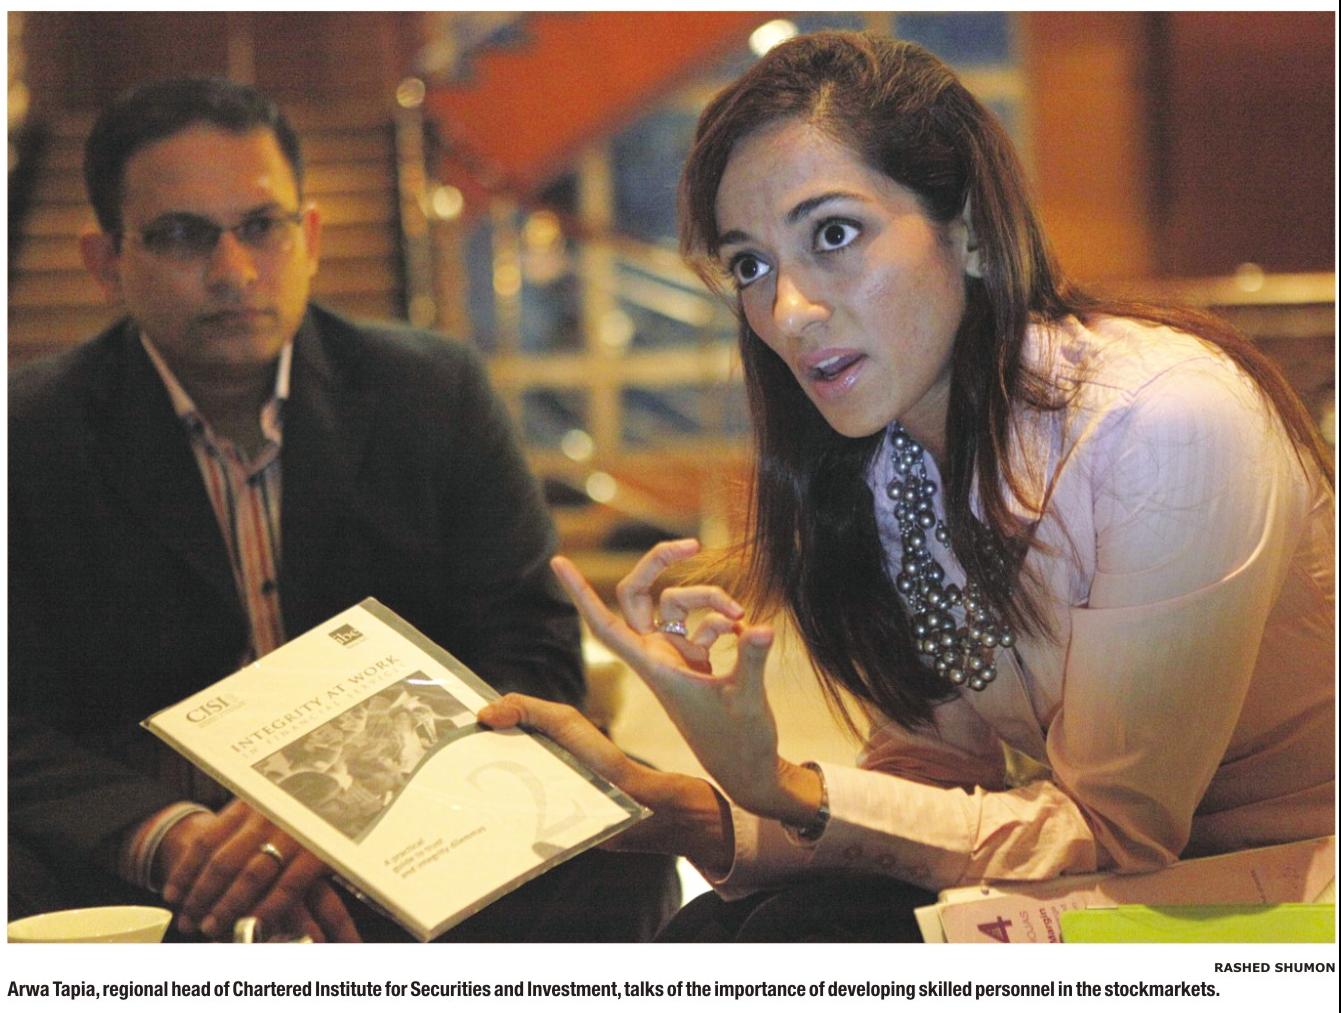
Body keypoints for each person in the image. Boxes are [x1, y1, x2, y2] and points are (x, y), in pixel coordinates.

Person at [477, 31, 1335, 942]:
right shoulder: (892, 455)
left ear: (967, 230)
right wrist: (683, 806)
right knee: (723, 932)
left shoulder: (1165, 423)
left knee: (785, 945)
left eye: (833, 234)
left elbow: (1117, 833)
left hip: (1287, 901)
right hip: (1119, 893)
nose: (788, 312)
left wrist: (785, 788)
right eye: (750, 265)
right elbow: (935, 774)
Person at [8, 77, 677, 942]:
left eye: (262, 226)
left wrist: (343, 809)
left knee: (622, 836)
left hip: (415, 823)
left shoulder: (433, 393)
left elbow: (532, 651)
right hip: (162, 854)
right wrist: (166, 836)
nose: (233, 272)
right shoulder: (29, 436)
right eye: (181, 235)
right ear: (105, 262)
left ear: (311, 237)